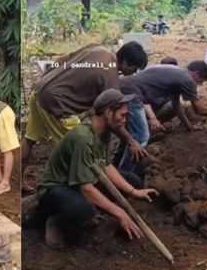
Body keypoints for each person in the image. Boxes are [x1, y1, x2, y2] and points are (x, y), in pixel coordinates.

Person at [35, 89, 159, 248]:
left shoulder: (103, 133)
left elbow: (105, 166)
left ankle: (97, 207)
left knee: (133, 181)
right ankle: (56, 221)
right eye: (122, 115)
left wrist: (133, 191)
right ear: (108, 113)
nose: (124, 120)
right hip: (56, 188)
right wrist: (119, 213)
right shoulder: (83, 138)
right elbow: (86, 188)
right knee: (84, 211)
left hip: (80, 182)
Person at [22, 42, 148, 162]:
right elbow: (110, 119)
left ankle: (21, 181)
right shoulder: (111, 79)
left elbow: (60, 59)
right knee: (79, 149)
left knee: (29, 140)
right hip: (56, 103)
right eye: (134, 68)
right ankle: (70, 182)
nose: (134, 72)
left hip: (39, 90)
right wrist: (131, 141)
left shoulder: (97, 49)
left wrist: (46, 80)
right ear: (125, 62)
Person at [118, 61, 207, 183]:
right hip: (132, 93)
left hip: (126, 87)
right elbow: (199, 109)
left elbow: (176, 106)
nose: (197, 85)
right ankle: (123, 177)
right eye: (200, 82)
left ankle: (118, 164)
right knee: (142, 136)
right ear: (196, 75)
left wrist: (189, 127)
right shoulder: (188, 80)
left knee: (132, 135)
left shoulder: (177, 75)